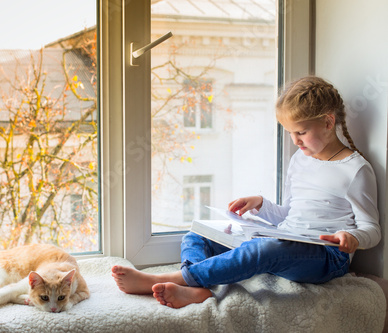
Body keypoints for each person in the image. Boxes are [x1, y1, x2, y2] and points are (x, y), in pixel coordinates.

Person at [111, 76, 381, 309]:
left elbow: (372, 230)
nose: (295, 140)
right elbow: (288, 216)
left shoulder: (355, 169)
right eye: (289, 132)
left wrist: (352, 237)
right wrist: (261, 204)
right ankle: (198, 290)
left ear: (328, 122)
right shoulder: (301, 159)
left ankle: (173, 278)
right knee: (198, 233)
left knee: (265, 248)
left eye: (301, 132)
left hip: (326, 256)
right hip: (287, 240)